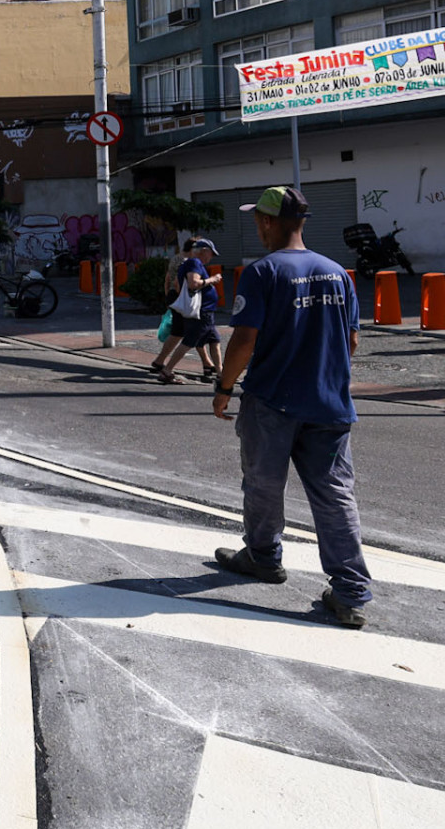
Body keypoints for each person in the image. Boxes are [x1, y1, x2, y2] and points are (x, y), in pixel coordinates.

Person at [212, 186, 372, 630]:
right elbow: (352, 341)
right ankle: (351, 593)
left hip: (273, 402)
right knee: (335, 497)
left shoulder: (263, 272)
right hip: (330, 404)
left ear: (267, 222)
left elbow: (245, 340)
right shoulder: (338, 272)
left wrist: (224, 387)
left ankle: (263, 556)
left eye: (257, 221)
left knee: (263, 485)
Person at [159, 239, 222, 384]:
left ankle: (220, 373)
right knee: (188, 342)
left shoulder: (188, 264)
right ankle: (166, 371)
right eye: (211, 254)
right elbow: (194, 284)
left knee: (215, 340)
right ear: (204, 250)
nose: (211, 258)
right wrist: (212, 279)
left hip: (206, 311)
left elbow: (177, 284)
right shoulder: (194, 263)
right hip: (202, 312)